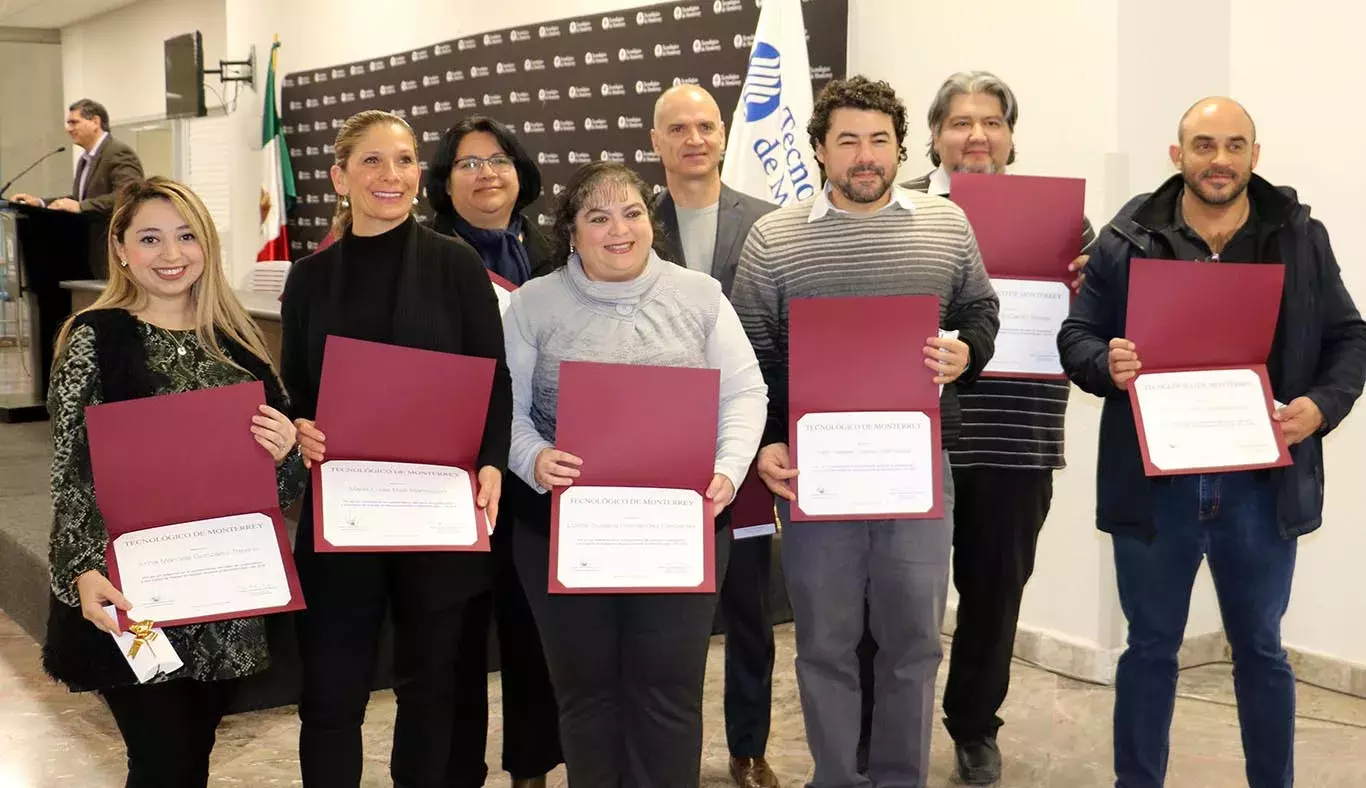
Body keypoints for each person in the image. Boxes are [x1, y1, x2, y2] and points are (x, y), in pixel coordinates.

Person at [1057, 97, 1366, 788]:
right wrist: (1106, 362)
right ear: (1178, 156)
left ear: (1256, 156)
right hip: (1154, 485)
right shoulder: (1126, 235)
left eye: (1233, 145)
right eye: (1203, 145)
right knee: (1151, 649)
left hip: (1260, 487)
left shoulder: (1298, 235)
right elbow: (1075, 337)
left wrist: (1319, 407)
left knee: (1260, 648)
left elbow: (1351, 338)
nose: (1218, 160)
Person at [731, 75, 999, 788]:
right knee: (825, 641)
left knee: (913, 639)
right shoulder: (774, 238)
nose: (865, 155)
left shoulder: (947, 224)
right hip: (818, 473)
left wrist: (967, 352)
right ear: (819, 150)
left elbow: (981, 311)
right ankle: (835, 780)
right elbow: (749, 354)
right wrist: (766, 442)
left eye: (879, 139)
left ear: (899, 147)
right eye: (847, 140)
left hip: (918, 467)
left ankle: (900, 777)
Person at [853, 70, 1095, 784]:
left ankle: (974, 725)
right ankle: (878, 728)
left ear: (1012, 138)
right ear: (932, 137)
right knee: (889, 593)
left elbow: (1088, 330)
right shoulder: (896, 209)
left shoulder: (1064, 224)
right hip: (911, 434)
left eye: (992, 122)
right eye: (959, 122)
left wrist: (1090, 286)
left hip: (1017, 436)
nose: (976, 136)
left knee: (994, 590)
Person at [504, 161, 768, 786]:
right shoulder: (531, 305)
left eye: (631, 213)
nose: (618, 230)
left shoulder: (701, 296)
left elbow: (744, 393)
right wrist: (534, 458)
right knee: (586, 694)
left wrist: (729, 470)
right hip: (559, 530)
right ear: (571, 231)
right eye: (597, 217)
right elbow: (503, 408)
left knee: (668, 693)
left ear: (652, 222)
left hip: (682, 526)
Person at [40, 175, 305, 788]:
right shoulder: (96, 338)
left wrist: (286, 448)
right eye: (151, 238)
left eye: (187, 236)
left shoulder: (239, 344)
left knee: (190, 756)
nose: (171, 254)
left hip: (223, 593)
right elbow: (70, 473)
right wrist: (81, 570)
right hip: (132, 591)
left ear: (206, 246)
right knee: (161, 760)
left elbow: (281, 486)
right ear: (122, 247)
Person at [280, 109, 513, 788]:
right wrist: (300, 427)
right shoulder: (308, 280)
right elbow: (296, 391)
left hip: (435, 512)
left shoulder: (457, 265)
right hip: (342, 514)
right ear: (340, 177)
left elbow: (492, 376)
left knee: (433, 690)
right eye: (373, 161)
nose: (392, 175)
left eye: (405, 160)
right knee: (329, 696)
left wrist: (494, 459)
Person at [423, 115, 562, 788]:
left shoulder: (554, 249)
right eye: (468, 163)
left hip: (536, 466)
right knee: (458, 639)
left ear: (521, 170)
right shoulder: (425, 256)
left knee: (531, 628)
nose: (487, 174)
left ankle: (532, 767)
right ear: (444, 183)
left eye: (499, 159)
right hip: (457, 469)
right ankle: (460, 773)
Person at [650, 83, 780, 788]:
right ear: (656, 141)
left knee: (750, 611)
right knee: (667, 615)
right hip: (656, 441)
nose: (693, 138)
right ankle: (670, 750)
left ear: (724, 134)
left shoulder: (769, 224)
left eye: (705, 125)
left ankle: (749, 747)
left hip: (745, 440)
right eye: (678, 127)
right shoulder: (631, 219)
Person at [12, 98, 146, 277]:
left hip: (111, 251)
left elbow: (129, 196)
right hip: (87, 250)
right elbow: (78, 200)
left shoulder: (118, 152)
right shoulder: (85, 160)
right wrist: (40, 203)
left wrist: (81, 207)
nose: (68, 129)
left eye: (74, 122)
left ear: (95, 122)